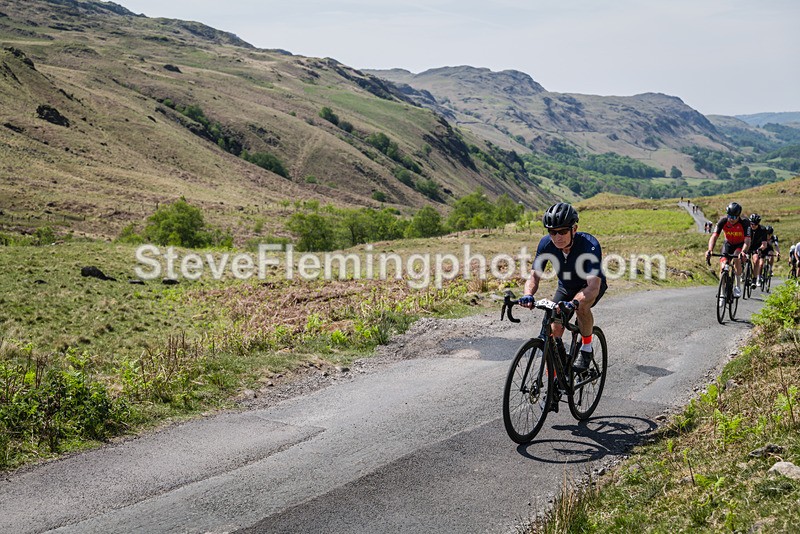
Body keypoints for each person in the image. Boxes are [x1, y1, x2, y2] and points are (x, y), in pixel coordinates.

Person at [521, 202, 608, 372]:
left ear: (574, 229)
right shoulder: (546, 244)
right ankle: (555, 384)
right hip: (566, 286)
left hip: (589, 285)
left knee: (581, 307)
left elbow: (593, 286)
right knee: (552, 332)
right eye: (553, 232)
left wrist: (574, 303)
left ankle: (586, 349)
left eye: (562, 232)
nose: (557, 237)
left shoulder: (589, 245)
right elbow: (534, 276)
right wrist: (528, 294)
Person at [706, 202, 751, 298]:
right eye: (729, 216)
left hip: (740, 244)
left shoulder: (745, 222)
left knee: (736, 258)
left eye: (734, 217)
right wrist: (710, 250)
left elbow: (747, 240)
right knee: (723, 266)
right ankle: (722, 293)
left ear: (738, 216)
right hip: (728, 244)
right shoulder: (723, 221)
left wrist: (743, 251)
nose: (731, 219)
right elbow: (714, 236)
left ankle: (738, 286)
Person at [748, 214, 768, 289]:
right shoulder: (747, 227)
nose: (752, 225)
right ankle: (743, 271)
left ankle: (754, 279)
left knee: (756, 261)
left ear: (758, 223)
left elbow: (764, 244)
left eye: (755, 224)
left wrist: (759, 249)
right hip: (746, 245)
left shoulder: (762, 230)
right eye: (751, 223)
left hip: (756, 247)